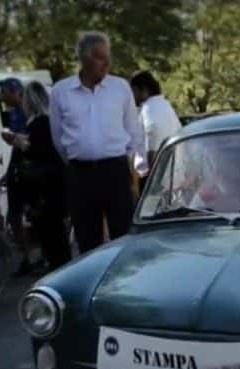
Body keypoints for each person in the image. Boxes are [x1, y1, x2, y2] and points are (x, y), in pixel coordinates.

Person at [49, 31, 145, 254]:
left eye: (108, 56)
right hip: (81, 174)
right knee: (87, 240)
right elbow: (58, 138)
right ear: (84, 58)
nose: (107, 63)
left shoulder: (120, 88)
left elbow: (133, 131)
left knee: (124, 236)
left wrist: (124, 162)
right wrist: (80, 157)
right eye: (101, 57)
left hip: (115, 170)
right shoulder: (61, 92)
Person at [21, 81, 71, 270]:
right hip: (55, 185)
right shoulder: (51, 122)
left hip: (44, 188)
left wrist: (20, 143)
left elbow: (36, 152)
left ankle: (58, 269)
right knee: (57, 234)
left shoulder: (39, 124)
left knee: (51, 234)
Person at [0, 77, 35, 276]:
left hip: (29, 172)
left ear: (14, 92)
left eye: (4, 92)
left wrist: (12, 138)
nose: (1, 96)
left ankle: (36, 256)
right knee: (14, 216)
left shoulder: (26, 112)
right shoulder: (12, 113)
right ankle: (26, 257)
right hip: (17, 170)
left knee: (31, 215)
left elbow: (26, 144)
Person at [130, 70, 182, 192]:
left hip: (154, 177)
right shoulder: (164, 105)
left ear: (142, 89)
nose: (131, 96)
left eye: (133, 91)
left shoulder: (150, 108)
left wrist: (153, 180)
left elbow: (153, 137)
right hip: (170, 175)